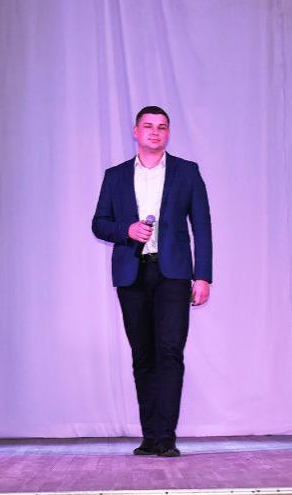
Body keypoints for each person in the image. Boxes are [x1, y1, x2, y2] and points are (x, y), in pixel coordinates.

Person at [92, 105, 212, 457]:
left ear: (168, 133)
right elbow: (99, 223)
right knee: (143, 354)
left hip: (172, 274)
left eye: (162, 127)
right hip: (132, 273)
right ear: (136, 131)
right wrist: (126, 230)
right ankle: (150, 437)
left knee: (169, 352)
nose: (155, 132)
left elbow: (202, 226)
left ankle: (166, 437)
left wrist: (203, 275)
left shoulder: (187, 172)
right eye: (148, 126)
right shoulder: (115, 176)